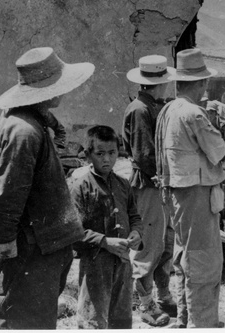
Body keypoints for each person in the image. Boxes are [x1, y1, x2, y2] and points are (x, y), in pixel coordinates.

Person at [0, 47, 94, 329]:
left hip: (47, 246)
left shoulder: (34, 121)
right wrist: (2, 249)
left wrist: (47, 117)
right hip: (34, 247)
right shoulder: (24, 131)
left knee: (35, 317)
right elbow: (5, 198)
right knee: (26, 321)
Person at [155, 48, 225, 328]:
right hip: (197, 191)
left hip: (177, 191)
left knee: (185, 255)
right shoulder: (194, 113)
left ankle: (187, 319)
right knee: (204, 260)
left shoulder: (168, 109)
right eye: (205, 82)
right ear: (199, 83)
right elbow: (218, 150)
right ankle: (202, 322)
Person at [69, 126, 143, 329]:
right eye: (100, 154)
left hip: (123, 262)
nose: (107, 159)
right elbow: (74, 231)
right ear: (87, 155)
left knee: (120, 315)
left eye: (112, 153)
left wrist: (136, 232)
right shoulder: (80, 187)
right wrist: (104, 241)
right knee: (94, 316)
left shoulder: (123, 184)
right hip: (96, 264)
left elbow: (134, 215)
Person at [122, 54, 177, 325]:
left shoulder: (153, 106)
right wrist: (165, 177)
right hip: (149, 184)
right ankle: (145, 303)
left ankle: (164, 294)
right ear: (158, 83)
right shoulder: (140, 109)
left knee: (166, 242)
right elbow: (144, 155)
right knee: (149, 246)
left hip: (159, 184)